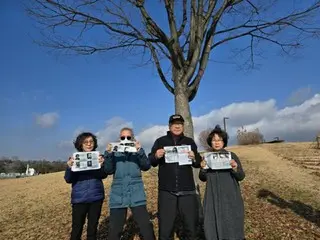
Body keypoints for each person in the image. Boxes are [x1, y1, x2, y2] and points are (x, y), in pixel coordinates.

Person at [148, 114, 201, 240]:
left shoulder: (189, 142)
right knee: (166, 229)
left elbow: (198, 162)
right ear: (169, 126)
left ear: (183, 126)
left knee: (191, 228)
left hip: (187, 190)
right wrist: (156, 155)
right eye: (174, 124)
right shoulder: (161, 141)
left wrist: (195, 157)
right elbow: (151, 161)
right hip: (167, 191)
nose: (177, 126)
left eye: (180, 124)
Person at [104, 127, 155, 240]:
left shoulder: (137, 151)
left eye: (129, 137)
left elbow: (146, 166)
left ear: (133, 138)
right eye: (123, 137)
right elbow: (108, 170)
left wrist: (140, 151)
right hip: (118, 194)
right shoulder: (115, 152)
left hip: (136, 192)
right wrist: (108, 154)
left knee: (145, 226)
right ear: (119, 138)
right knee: (115, 229)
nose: (126, 139)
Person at [199, 126, 245, 240]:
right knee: (212, 221)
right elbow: (202, 178)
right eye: (214, 140)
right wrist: (203, 168)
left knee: (231, 220)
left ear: (224, 142)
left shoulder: (231, 156)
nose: (217, 143)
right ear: (210, 142)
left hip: (230, 195)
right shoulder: (207, 157)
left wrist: (235, 168)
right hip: (212, 195)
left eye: (219, 140)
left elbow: (241, 176)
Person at [64, 132, 108, 240]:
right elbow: (68, 179)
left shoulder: (99, 157)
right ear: (81, 144)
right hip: (79, 199)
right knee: (76, 229)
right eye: (86, 142)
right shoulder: (75, 159)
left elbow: (103, 175)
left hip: (96, 197)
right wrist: (70, 167)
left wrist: (102, 165)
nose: (89, 144)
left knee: (92, 230)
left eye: (91, 141)